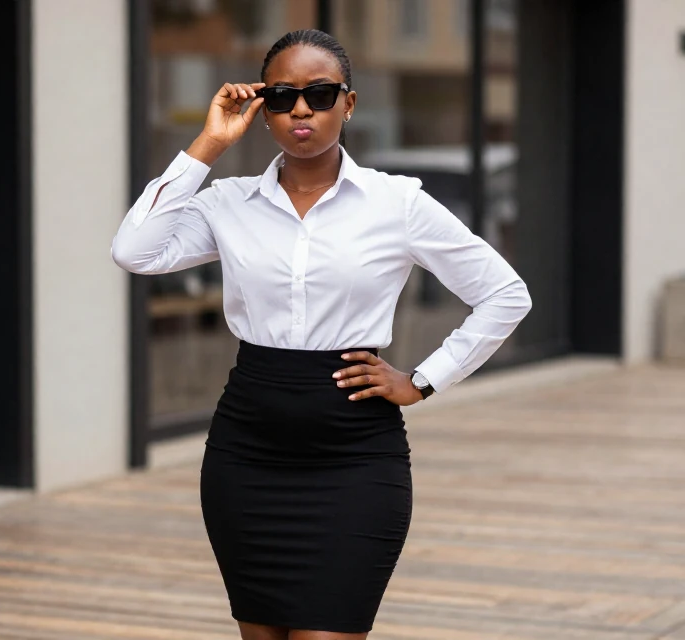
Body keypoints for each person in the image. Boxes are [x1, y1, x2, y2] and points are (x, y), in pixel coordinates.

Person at [111, 29, 531, 640]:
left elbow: (504, 293)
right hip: (246, 453)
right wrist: (206, 145)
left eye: (319, 93)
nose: (300, 109)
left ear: (349, 104)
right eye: (281, 96)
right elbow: (134, 252)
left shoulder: (397, 204)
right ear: (262, 111)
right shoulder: (228, 204)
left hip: (355, 455)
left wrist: (423, 380)